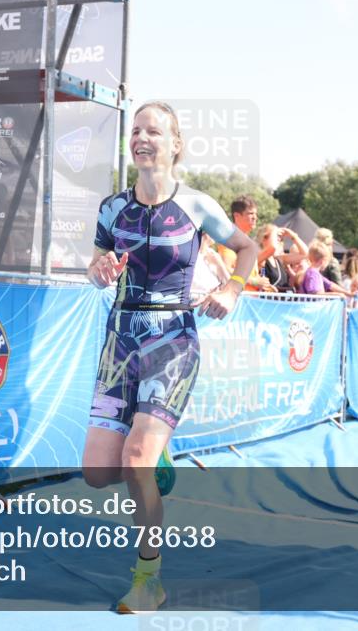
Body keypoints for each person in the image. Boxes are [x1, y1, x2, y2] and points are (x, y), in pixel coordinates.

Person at [83, 101, 258, 614]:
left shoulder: (198, 205)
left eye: (153, 131)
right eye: (135, 130)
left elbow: (246, 249)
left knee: (134, 462)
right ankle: (155, 456)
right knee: (97, 473)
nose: (141, 137)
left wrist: (233, 287)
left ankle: (148, 578)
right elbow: (96, 259)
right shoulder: (111, 208)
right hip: (120, 339)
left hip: (172, 341)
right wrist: (98, 271)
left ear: (175, 145)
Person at [216, 195, 273, 292]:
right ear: (237, 216)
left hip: (250, 300)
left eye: (255, 213)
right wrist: (254, 281)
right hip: (237, 300)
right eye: (250, 213)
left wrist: (265, 286)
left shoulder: (247, 241)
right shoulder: (231, 240)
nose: (255, 217)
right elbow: (225, 269)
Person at [257, 224, 306, 292]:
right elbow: (272, 247)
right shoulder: (259, 258)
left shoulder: (279, 259)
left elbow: (304, 254)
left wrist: (293, 236)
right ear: (264, 239)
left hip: (282, 299)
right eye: (276, 236)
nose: (279, 239)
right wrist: (274, 230)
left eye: (279, 237)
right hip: (268, 300)